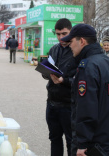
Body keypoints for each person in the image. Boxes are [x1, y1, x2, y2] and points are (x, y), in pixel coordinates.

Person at [61, 24, 109, 156]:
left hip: (93, 145)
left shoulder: (88, 67)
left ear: (82, 41)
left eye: (71, 41)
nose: (69, 45)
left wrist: (82, 143)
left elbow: (87, 108)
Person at [42, 18, 77, 156]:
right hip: (51, 102)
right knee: (54, 139)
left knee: (71, 141)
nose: (61, 37)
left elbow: (80, 81)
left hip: (68, 105)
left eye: (64, 33)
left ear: (71, 31)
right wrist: (47, 74)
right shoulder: (53, 49)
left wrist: (64, 80)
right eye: (58, 34)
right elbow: (46, 72)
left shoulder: (77, 50)